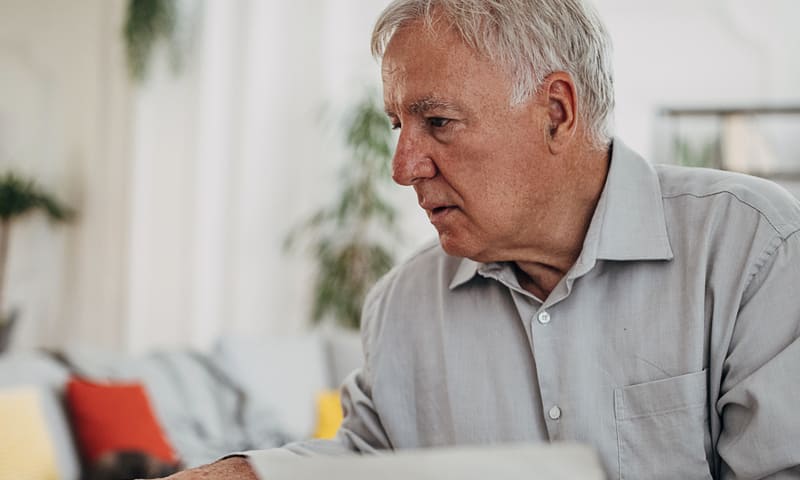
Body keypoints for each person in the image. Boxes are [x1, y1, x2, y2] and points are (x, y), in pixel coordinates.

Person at [163, 0, 800, 478]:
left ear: (557, 112)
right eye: (397, 125)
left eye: (438, 122)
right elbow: (367, 463)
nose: (403, 165)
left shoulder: (752, 249)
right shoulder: (402, 304)